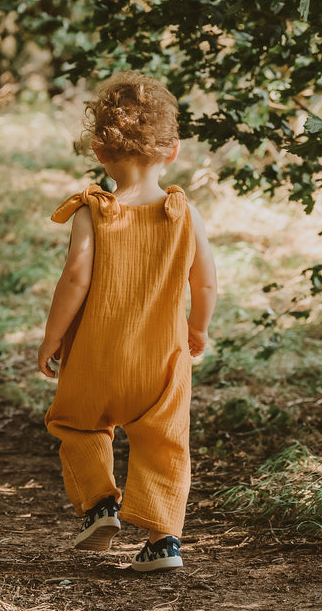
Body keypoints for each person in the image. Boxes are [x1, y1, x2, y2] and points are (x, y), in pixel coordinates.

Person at [37, 71, 218, 572]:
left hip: (96, 356)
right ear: (173, 150)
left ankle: (99, 506)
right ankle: (163, 543)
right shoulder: (184, 213)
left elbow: (74, 280)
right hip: (162, 360)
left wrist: (52, 339)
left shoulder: (94, 212)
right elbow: (204, 284)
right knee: (164, 442)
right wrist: (198, 329)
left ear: (99, 150)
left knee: (75, 423)